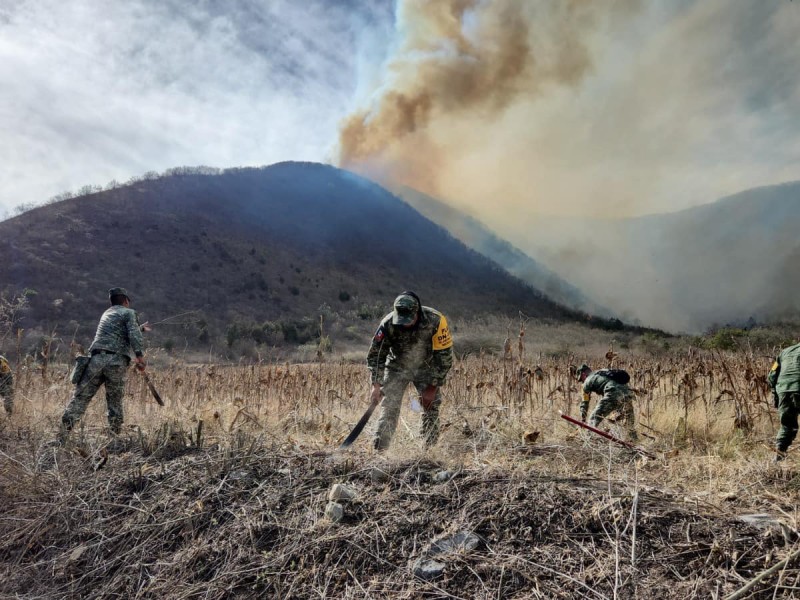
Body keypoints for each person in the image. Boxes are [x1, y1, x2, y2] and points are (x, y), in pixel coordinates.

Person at [367, 291, 453, 450]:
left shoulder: (436, 321)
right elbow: (376, 356)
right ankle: (380, 449)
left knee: (430, 406)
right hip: (397, 367)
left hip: (426, 367)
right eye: (402, 320)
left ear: (417, 312)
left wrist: (432, 387)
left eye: (409, 320)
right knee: (389, 406)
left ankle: (428, 451)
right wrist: (376, 385)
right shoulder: (388, 324)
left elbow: (445, 357)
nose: (405, 324)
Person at [60, 287, 147, 438]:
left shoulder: (107, 314)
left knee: (81, 397)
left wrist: (140, 329)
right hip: (115, 361)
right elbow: (132, 334)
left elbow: (116, 334)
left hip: (95, 360)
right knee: (114, 400)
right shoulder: (129, 312)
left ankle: (63, 435)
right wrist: (139, 356)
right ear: (126, 301)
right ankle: (113, 437)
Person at [576, 363, 637, 441]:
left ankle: (587, 440)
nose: (582, 381)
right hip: (627, 394)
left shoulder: (587, 381)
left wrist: (583, 420)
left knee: (594, 417)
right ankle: (634, 441)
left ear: (583, 374)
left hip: (613, 393)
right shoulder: (602, 372)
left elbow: (584, 403)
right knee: (629, 421)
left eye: (581, 379)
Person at [768, 342, 800, 462]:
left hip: (784, 390)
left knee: (787, 425)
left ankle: (779, 455)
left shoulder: (785, 352)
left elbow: (771, 376)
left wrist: (775, 395)